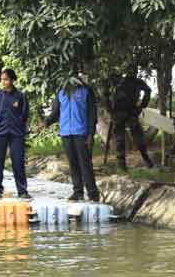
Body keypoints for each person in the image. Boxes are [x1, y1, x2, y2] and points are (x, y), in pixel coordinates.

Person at [44, 72, 100, 202]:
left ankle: (93, 194)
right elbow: (55, 112)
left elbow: (92, 114)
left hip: (81, 132)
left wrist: (91, 134)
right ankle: (77, 192)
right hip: (66, 133)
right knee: (73, 164)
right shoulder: (61, 92)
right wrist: (46, 122)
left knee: (85, 164)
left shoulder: (86, 91)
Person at [0, 69, 30, 199]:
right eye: (2, 79)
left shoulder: (20, 96)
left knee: (18, 162)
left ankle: (22, 191)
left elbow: (24, 114)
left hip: (16, 133)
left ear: (12, 80)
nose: (3, 82)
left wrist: (17, 124)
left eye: (6, 79)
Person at [109, 71, 155, 170]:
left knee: (136, 138)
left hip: (130, 112)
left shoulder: (136, 82)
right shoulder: (120, 81)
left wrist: (142, 106)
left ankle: (146, 160)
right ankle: (122, 165)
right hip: (121, 112)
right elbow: (105, 94)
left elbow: (148, 90)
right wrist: (111, 110)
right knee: (121, 139)